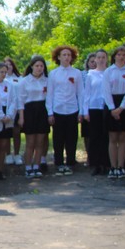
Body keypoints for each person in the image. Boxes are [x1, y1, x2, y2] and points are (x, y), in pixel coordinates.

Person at [46, 45, 83, 175]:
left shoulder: (77, 73)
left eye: (69, 55)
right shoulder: (53, 74)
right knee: (58, 138)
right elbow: (50, 94)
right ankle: (59, 163)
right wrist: (50, 112)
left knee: (72, 137)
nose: (67, 57)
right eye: (64, 55)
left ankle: (71, 162)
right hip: (58, 109)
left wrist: (82, 111)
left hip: (73, 109)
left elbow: (81, 93)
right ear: (59, 57)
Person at [17, 55, 50, 178]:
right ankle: (28, 167)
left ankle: (37, 167)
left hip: (42, 110)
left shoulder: (47, 81)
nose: (39, 68)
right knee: (30, 142)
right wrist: (21, 116)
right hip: (29, 111)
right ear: (31, 67)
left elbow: (49, 98)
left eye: (41, 66)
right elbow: (20, 100)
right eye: (37, 66)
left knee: (40, 142)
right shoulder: (24, 81)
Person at [103, 47, 125, 178]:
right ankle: (112, 167)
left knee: (122, 138)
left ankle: (121, 166)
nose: (121, 57)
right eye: (119, 55)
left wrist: (121, 108)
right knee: (112, 138)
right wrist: (112, 108)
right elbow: (106, 91)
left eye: (124, 55)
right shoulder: (108, 71)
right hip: (111, 104)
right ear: (114, 56)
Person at [82, 50, 110, 175]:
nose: (101, 59)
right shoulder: (90, 74)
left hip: (107, 107)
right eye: (99, 57)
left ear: (107, 59)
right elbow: (86, 94)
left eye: (103, 57)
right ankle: (94, 164)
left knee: (106, 136)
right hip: (93, 108)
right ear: (95, 60)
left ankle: (105, 163)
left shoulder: (110, 73)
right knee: (94, 137)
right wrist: (85, 111)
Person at [3, 56, 23, 165]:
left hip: (17, 109)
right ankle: (8, 154)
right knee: (7, 133)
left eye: (10, 64)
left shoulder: (19, 78)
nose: (8, 66)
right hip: (6, 110)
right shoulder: (1, 79)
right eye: (6, 64)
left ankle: (17, 154)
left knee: (16, 132)